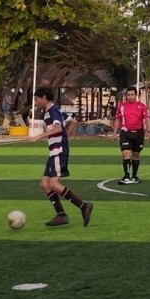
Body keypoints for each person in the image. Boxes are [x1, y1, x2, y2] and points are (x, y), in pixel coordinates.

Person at [30, 87, 93, 227]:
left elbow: (58, 128)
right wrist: (65, 137)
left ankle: (83, 206)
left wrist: (39, 136)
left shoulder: (53, 111)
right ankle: (61, 215)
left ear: (44, 97)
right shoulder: (53, 111)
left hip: (58, 151)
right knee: (45, 184)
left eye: (37, 99)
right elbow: (73, 121)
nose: (36, 102)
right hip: (54, 151)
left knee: (53, 184)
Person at [113, 86, 150, 184]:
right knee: (125, 154)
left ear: (136, 95)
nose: (130, 97)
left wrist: (149, 131)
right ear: (126, 96)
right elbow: (118, 119)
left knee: (135, 155)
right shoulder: (121, 106)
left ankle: (134, 176)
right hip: (125, 133)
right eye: (128, 95)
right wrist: (114, 133)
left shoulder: (142, 106)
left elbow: (147, 119)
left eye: (132, 95)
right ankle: (126, 176)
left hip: (138, 133)